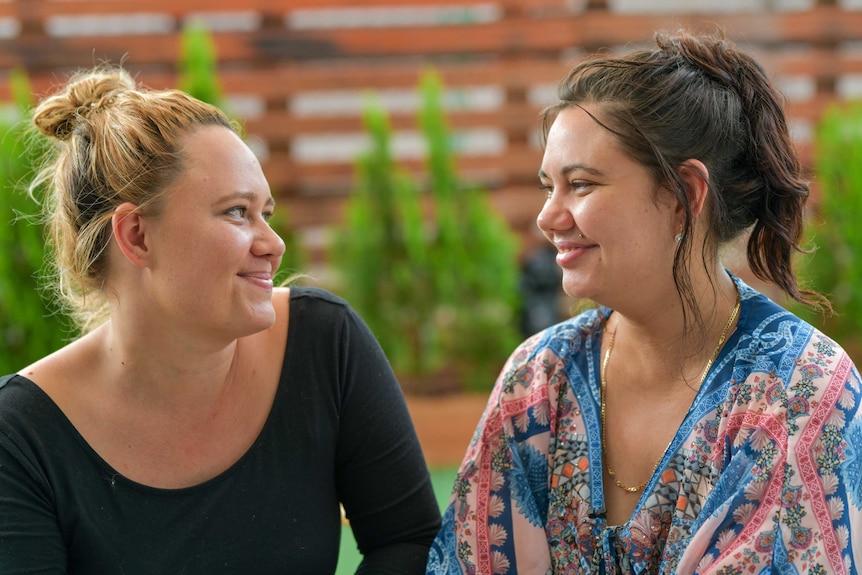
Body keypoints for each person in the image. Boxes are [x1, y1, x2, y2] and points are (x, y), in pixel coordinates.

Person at [427, 29, 861, 574]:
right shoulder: (539, 381)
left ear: (685, 196)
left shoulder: (798, 391)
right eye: (547, 186)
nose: (547, 217)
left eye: (581, 184)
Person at [0, 66, 441, 574]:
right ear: (137, 236)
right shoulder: (22, 435)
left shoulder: (323, 343)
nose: (273, 245)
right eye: (236, 212)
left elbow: (409, 541)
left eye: (266, 214)